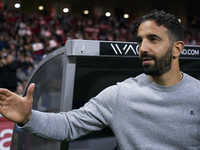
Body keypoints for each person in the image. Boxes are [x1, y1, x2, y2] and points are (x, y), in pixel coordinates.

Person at [0, 9, 200, 150]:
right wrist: (29, 118)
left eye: (153, 39)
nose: (143, 48)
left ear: (177, 49)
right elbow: (69, 125)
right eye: (140, 41)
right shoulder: (121, 94)